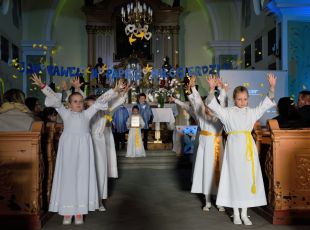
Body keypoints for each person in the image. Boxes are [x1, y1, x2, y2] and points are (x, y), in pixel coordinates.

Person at [31, 74, 114, 225]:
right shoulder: (65, 112)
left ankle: (79, 211)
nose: (78, 104)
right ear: (69, 104)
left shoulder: (87, 114)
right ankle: (68, 211)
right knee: (68, 177)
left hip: (84, 150)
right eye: (75, 101)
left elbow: (101, 100)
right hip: (68, 149)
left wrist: (114, 90)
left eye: (81, 101)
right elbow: (55, 102)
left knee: (82, 177)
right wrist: (43, 86)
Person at [205, 73, 277, 225]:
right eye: (239, 99)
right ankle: (236, 213)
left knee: (246, 180)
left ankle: (244, 213)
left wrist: (271, 87)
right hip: (233, 149)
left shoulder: (251, 112)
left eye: (245, 99)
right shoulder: (228, 112)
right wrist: (212, 89)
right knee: (235, 179)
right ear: (234, 99)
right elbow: (213, 106)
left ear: (247, 99)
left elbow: (265, 104)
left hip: (247, 149)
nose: (242, 102)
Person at [185, 76, 227, 212]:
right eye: (207, 106)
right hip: (205, 148)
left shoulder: (220, 116)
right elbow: (197, 102)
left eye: (211, 106)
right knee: (206, 172)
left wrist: (220, 89)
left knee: (219, 173)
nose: (208, 109)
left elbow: (224, 103)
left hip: (217, 147)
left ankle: (219, 200)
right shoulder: (202, 116)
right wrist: (192, 87)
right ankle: (207, 200)